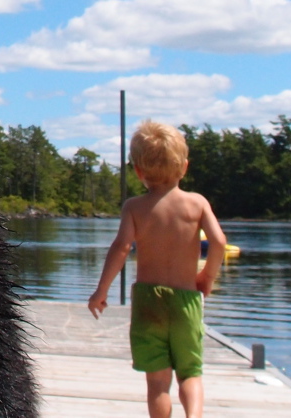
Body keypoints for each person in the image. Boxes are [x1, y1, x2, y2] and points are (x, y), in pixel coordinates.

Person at [88, 120, 226, 418]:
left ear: (138, 171)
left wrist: (101, 291)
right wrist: (207, 277)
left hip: (149, 302)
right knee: (190, 373)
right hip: (186, 300)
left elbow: (121, 248)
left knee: (158, 382)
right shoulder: (197, 204)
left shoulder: (134, 207)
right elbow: (218, 242)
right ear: (184, 167)